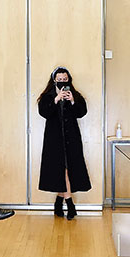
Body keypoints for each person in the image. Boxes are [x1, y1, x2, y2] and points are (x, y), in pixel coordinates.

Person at [37, 67, 91, 220]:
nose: (62, 82)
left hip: (71, 139)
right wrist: (56, 99)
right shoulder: (47, 96)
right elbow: (44, 113)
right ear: (54, 80)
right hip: (54, 140)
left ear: (69, 79)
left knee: (68, 170)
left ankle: (59, 201)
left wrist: (72, 101)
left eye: (64, 79)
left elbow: (81, 112)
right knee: (61, 171)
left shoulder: (75, 95)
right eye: (59, 79)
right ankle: (70, 204)